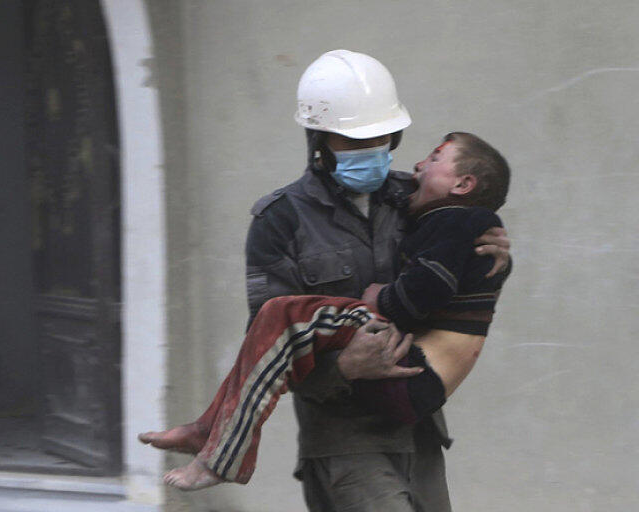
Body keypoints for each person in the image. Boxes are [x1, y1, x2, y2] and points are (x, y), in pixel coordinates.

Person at [140, 50, 509, 511]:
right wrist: (345, 368)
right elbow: (268, 346)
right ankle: (218, 440)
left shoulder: (414, 200)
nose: (371, 150)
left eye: (380, 137)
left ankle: (214, 437)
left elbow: (461, 263)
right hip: (344, 440)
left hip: (419, 431)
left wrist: (491, 249)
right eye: (353, 141)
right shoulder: (280, 220)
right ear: (319, 140)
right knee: (281, 317)